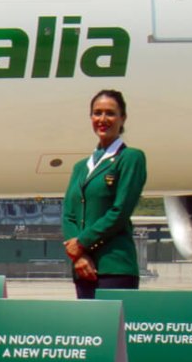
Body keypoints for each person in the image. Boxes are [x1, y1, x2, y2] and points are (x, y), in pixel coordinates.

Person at [63, 89, 148, 299]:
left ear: (123, 118)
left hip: (114, 267)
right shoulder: (81, 167)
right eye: (97, 113)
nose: (102, 119)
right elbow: (69, 215)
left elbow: (120, 211)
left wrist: (81, 243)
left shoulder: (130, 158)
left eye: (110, 113)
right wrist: (78, 256)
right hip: (83, 268)